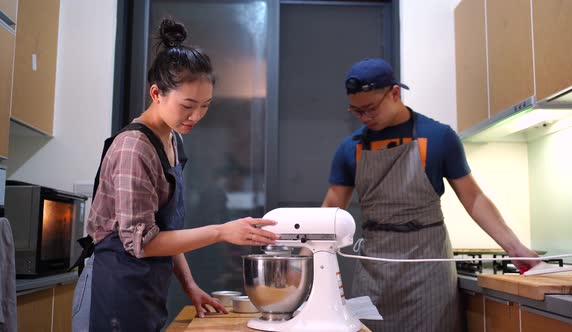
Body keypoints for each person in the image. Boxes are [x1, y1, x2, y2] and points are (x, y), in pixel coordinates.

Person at [71, 18, 279, 332]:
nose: (196, 116)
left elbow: (163, 230)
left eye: (205, 105)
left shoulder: (173, 140)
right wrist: (222, 232)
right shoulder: (133, 149)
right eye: (187, 105)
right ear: (156, 93)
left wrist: (189, 285)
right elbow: (141, 242)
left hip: (145, 288)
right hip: (112, 288)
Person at [322, 58, 539, 332]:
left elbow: (474, 199)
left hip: (428, 269)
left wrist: (514, 247)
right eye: (357, 112)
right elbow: (332, 208)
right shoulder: (349, 149)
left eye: (371, 109)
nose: (365, 118)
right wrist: (306, 258)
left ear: (395, 93)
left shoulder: (438, 137)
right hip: (374, 271)